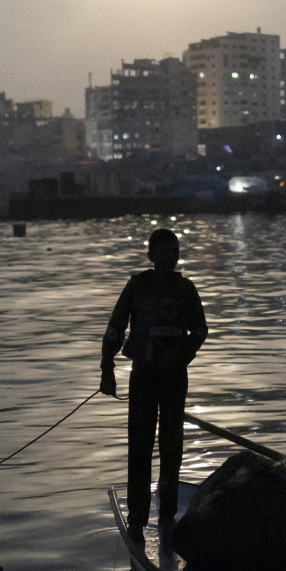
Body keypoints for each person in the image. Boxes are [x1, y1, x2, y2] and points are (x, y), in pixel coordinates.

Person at [102, 228, 208, 536]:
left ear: (177, 256)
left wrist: (180, 354)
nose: (167, 258)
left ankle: (168, 513)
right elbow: (115, 328)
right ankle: (137, 518)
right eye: (161, 252)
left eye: (172, 252)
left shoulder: (186, 288)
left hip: (175, 378)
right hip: (144, 376)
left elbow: (201, 331)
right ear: (151, 255)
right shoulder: (137, 285)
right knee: (140, 445)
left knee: (171, 445)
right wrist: (106, 368)